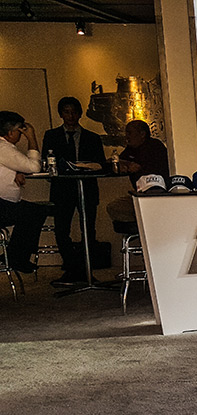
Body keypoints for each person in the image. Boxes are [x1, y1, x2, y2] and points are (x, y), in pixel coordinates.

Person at [42, 96, 106, 285]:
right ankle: (71, 267)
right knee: (62, 229)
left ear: (79, 114)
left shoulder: (92, 137)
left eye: (74, 112)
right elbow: (47, 161)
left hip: (86, 187)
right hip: (62, 188)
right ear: (61, 114)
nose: (70, 116)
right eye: (66, 112)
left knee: (88, 229)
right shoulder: (51, 135)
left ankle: (87, 269)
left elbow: (100, 163)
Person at [0, 111, 50, 274]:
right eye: (20, 131)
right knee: (33, 212)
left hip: (4, 203)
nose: (21, 135)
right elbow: (34, 167)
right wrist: (32, 138)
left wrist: (15, 173)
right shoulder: (3, 148)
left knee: (31, 211)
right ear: (10, 133)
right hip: (2, 206)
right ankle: (17, 257)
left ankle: (15, 255)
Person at [106, 120, 170, 222]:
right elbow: (114, 161)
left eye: (129, 133)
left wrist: (134, 166)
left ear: (142, 134)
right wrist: (125, 164)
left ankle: (148, 226)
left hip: (158, 195)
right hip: (139, 195)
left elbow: (145, 168)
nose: (126, 136)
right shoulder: (131, 149)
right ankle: (144, 226)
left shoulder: (155, 147)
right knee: (114, 207)